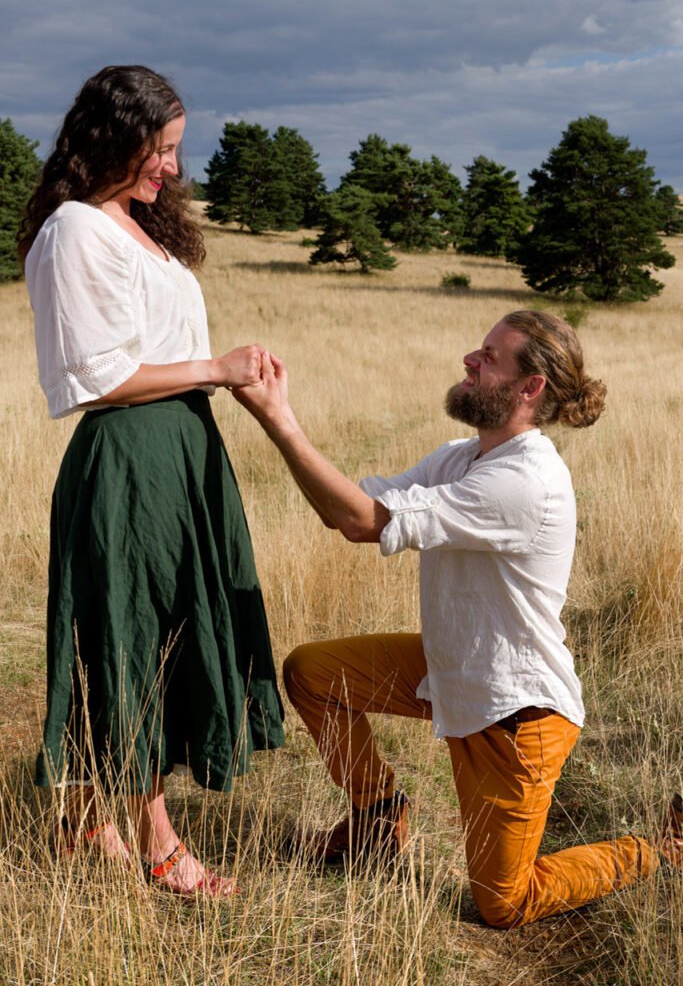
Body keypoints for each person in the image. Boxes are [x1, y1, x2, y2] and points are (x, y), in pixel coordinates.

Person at [233, 310, 682, 927]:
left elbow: (364, 522)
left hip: (514, 715)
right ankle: (377, 820)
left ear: (530, 389)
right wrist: (285, 435)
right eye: (479, 349)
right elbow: (351, 511)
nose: (471, 360)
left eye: (490, 357)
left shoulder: (527, 482)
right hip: (451, 669)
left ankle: (663, 849)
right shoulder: (460, 457)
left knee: (504, 904)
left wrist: (277, 419)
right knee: (313, 674)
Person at [19, 65, 284, 897]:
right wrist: (216, 366)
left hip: (182, 451)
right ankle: (159, 841)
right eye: (158, 149)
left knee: (164, 629)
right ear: (112, 137)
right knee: (135, 636)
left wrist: (219, 380)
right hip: (130, 460)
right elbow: (96, 378)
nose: (171, 167)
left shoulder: (141, 229)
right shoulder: (75, 230)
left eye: (175, 150)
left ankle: (85, 817)